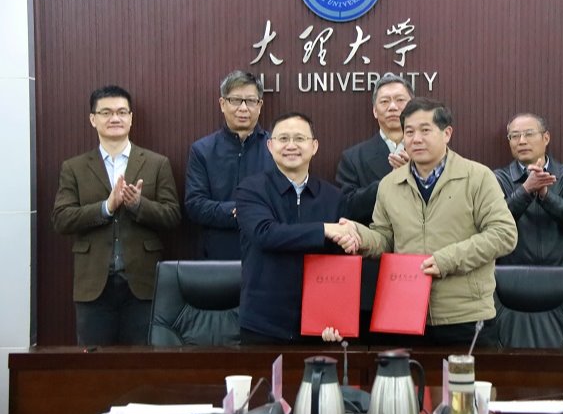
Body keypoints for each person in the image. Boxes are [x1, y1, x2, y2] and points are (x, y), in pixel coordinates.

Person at [334, 98, 517, 346]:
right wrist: (358, 235)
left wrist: (446, 260)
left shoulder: (477, 177)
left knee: (463, 374)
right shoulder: (390, 184)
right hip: (406, 315)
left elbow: (504, 234)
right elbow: (385, 239)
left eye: (425, 130)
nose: (416, 139)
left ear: (447, 133)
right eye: (409, 132)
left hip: (465, 317)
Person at [52, 85, 181, 345]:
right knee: (94, 363)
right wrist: (106, 207)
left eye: (122, 112)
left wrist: (138, 205)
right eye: (106, 112)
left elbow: (173, 216)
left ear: (131, 118)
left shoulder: (157, 163)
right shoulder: (74, 167)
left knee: (142, 362)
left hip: (143, 284)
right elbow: (61, 219)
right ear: (93, 119)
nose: (115, 118)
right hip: (93, 286)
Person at [235, 112, 354, 344]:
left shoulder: (333, 197)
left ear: (314, 146)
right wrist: (323, 230)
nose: (291, 146)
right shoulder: (251, 190)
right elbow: (265, 234)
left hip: (318, 323)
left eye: (299, 138)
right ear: (270, 146)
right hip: (263, 322)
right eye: (283, 139)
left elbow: (339, 261)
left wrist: (335, 316)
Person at [185, 71, 274, 259]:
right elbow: (195, 205)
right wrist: (237, 211)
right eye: (235, 100)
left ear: (259, 106)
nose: (243, 108)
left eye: (250, 101)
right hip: (218, 255)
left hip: (267, 252)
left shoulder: (276, 148)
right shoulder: (202, 150)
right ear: (222, 104)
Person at [494, 113, 563, 266]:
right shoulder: (497, 178)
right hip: (512, 272)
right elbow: (494, 222)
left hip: (561, 270)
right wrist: (526, 190)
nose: (522, 141)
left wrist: (545, 195)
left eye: (529, 134)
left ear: (546, 138)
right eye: (515, 136)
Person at [335, 72, 414, 225]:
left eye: (400, 100)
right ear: (375, 111)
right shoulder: (353, 158)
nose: (393, 107)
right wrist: (389, 182)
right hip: (374, 237)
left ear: (412, 107)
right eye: (384, 101)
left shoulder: (432, 151)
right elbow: (346, 208)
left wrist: (418, 174)